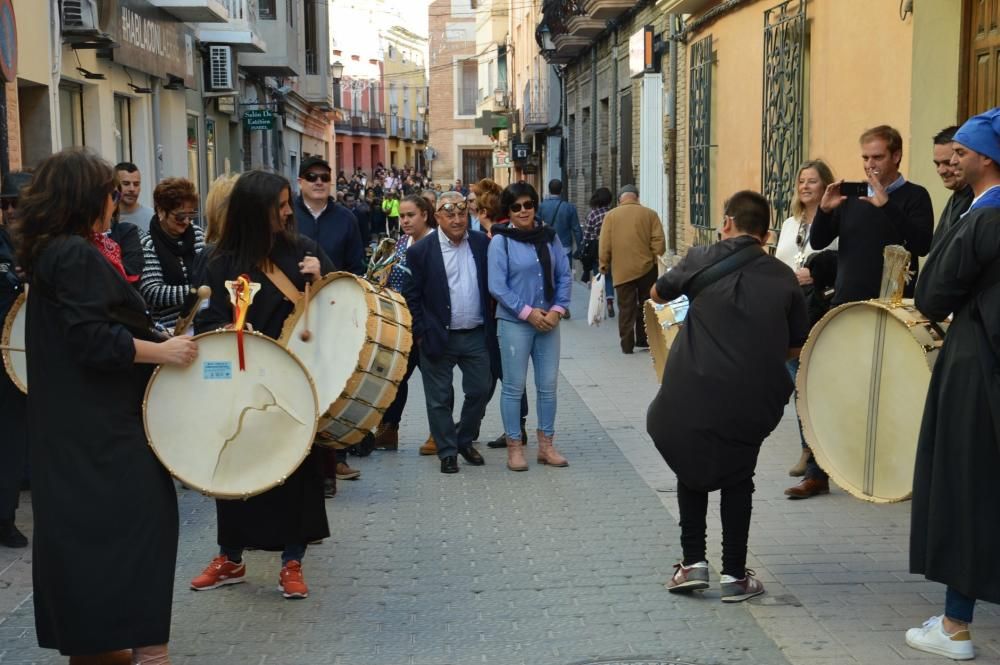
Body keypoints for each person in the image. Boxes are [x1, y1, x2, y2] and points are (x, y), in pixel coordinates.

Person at [17, 148, 198, 664]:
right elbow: (93, 339)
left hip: (76, 430)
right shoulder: (74, 254)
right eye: (111, 192)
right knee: (147, 528)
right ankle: (150, 654)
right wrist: (160, 350)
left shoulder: (54, 250)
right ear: (88, 197)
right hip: (100, 432)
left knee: (91, 545)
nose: (117, 202)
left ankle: (104, 650)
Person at [648, 190, 808, 603]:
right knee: (739, 476)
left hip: (694, 388)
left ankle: (692, 565)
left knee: (691, 467)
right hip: (751, 398)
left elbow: (658, 294)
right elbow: (795, 346)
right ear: (767, 232)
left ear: (727, 223)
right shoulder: (784, 276)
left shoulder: (702, 257)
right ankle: (735, 575)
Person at [191, 170, 332, 600]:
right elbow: (205, 321)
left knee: (294, 474)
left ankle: (292, 561)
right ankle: (230, 557)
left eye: (289, 203)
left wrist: (322, 276)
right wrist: (233, 330)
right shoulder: (218, 262)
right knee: (234, 466)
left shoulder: (304, 251)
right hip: (242, 382)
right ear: (256, 211)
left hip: (294, 384)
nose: (289, 212)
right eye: (281, 205)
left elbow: (335, 311)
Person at [905, 109, 1000, 661]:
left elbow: (932, 294)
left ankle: (955, 626)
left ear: (986, 158)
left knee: (966, 490)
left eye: (962, 152)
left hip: (977, 363)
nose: (953, 160)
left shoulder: (984, 215)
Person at [402, 191, 492, 474]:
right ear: (437, 216)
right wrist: (419, 332)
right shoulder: (421, 251)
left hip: (476, 333)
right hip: (437, 335)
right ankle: (447, 452)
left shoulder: (480, 243)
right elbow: (411, 296)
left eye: (462, 213)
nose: (456, 219)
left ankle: (464, 439)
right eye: (449, 214)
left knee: (480, 389)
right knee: (439, 398)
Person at [488, 182, 573, 471]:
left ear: (535, 205)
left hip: (549, 322)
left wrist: (558, 310)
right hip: (515, 323)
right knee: (514, 387)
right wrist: (528, 313)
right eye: (516, 207)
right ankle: (515, 447)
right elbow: (497, 286)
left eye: (528, 204)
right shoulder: (501, 241)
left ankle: (546, 446)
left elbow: (564, 274)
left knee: (548, 386)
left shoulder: (549, 237)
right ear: (508, 212)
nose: (523, 211)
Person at [293, 156, 364, 482]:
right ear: (300, 181)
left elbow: (357, 267)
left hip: (335, 308)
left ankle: (337, 456)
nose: (319, 182)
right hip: (295, 310)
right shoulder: (287, 216)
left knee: (335, 380)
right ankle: (301, 454)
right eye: (311, 177)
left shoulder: (346, 219)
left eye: (324, 177)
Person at [810, 125, 934, 305]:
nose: (870, 164)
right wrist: (824, 210)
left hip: (891, 306)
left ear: (896, 156)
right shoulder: (852, 197)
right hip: (846, 302)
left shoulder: (916, 195)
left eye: (877, 157)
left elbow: (922, 246)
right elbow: (817, 242)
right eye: (865, 158)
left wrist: (887, 205)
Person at [774, 160, 839, 498]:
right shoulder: (789, 223)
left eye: (812, 181)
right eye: (801, 180)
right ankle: (809, 449)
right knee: (797, 379)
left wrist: (817, 274)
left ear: (826, 185)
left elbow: (840, 262)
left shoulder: (835, 223)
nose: (805, 186)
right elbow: (781, 260)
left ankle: (814, 457)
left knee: (809, 383)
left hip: (821, 308)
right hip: (790, 308)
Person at [371, 194, 437, 453]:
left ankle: (438, 433)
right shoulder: (398, 244)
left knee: (434, 380)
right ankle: (388, 430)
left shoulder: (437, 242)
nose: (405, 221)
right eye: (402, 216)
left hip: (429, 321)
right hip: (399, 324)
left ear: (424, 215)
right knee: (395, 378)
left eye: (411, 215)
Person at [0, 170, 31, 549]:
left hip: (22, 358)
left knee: (14, 439)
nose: (9, 210)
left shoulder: (43, 249)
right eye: (5, 204)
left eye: (16, 204)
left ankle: (5, 517)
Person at [598, 184, 666, 354]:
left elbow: (604, 243)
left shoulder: (611, 216)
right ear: (636, 197)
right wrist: (652, 257)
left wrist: (604, 263)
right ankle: (644, 339)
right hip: (647, 269)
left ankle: (627, 345)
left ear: (620, 198)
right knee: (646, 305)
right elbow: (659, 242)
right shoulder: (650, 215)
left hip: (622, 271)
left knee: (626, 307)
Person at [139, 178, 205, 331]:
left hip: (202, 323)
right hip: (168, 330)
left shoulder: (198, 234)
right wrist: (197, 292)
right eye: (180, 216)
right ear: (161, 211)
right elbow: (153, 292)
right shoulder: (147, 244)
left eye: (191, 215)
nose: (187, 221)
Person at [929, 125, 975, 251]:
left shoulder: (977, 199)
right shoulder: (957, 195)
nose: (941, 170)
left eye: (947, 163)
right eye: (937, 164)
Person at [581, 187, 615, 317]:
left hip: (596, 251)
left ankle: (598, 308)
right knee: (610, 277)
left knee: (598, 276)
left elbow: (587, 235)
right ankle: (610, 301)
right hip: (611, 249)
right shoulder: (613, 213)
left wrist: (584, 247)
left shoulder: (592, 215)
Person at [537, 179, 583, 265]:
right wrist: (580, 247)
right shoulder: (569, 207)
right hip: (565, 246)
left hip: (547, 245)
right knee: (565, 273)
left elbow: (536, 226)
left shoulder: (541, 207)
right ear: (562, 190)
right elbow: (576, 229)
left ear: (549, 190)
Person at [114, 162, 155, 232]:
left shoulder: (152, 217)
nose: (132, 189)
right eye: (126, 184)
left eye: (136, 184)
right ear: (115, 186)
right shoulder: (105, 219)